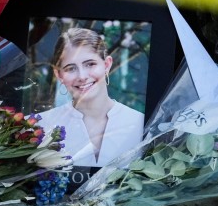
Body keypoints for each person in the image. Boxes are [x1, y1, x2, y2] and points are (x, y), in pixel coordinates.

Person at [38, 27, 143, 169]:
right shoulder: (39, 126)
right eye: (70, 68)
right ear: (59, 75)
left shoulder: (141, 123)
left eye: (90, 64)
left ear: (106, 65)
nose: (82, 76)